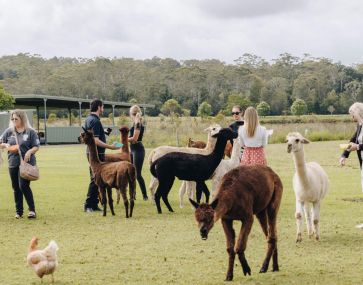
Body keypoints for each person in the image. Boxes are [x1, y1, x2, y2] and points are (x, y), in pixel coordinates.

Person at [0, 110, 40, 219]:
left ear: (22, 119)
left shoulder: (30, 132)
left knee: (23, 185)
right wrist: (5, 145)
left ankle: (32, 210)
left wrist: (29, 151)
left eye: (16, 119)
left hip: (26, 163)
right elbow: (0, 143)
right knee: (16, 187)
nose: (13, 121)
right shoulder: (9, 131)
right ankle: (19, 212)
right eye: (12, 119)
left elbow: (36, 146)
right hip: (13, 162)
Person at [84, 99, 120, 213]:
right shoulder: (95, 121)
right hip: (97, 153)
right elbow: (95, 140)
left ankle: (94, 204)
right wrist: (111, 147)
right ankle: (88, 205)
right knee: (95, 178)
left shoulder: (89, 119)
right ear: (99, 107)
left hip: (91, 152)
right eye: (103, 107)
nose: (103, 109)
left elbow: (92, 135)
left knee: (96, 178)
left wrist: (104, 132)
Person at [339, 102, 363, 192]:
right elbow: (353, 140)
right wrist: (344, 155)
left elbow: (356, 145)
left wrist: (357, 147)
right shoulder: (360, 125)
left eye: (352, 114)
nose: (351, 116)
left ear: (358, 113)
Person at [128, 105, 148, 200]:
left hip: (138, 150)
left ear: (132, 114)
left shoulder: (138, 124)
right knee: (131, 173)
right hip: (132, 149)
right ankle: (133, 195)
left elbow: (135, 139)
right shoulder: (135, 123)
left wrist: (124, 139)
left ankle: (145, 195)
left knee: (137, 174)